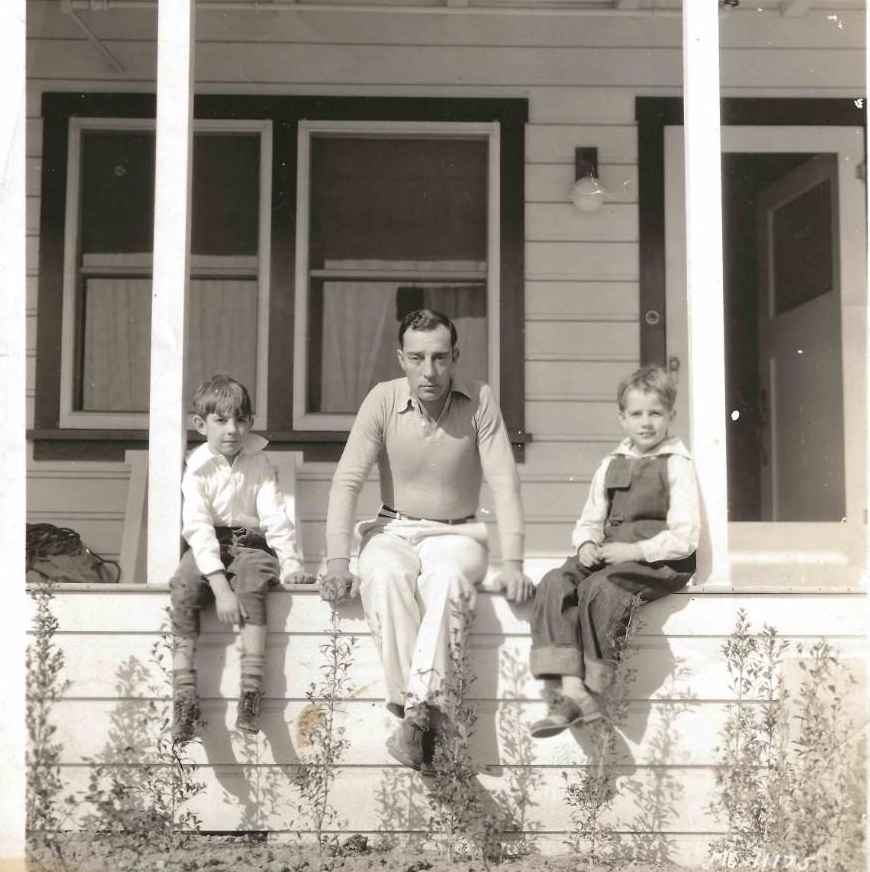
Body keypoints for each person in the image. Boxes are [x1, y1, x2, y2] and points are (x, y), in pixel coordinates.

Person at [319, 309, 534, 770]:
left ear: (455, 355)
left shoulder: (479, 400)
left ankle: (415, 719)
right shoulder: (381, 400)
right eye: (417, 358)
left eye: (439, 358)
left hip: (455, 532)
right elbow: (347, 481)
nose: (429, 371)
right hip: (392, 528)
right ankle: (421, 714)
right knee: (381, 572)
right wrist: (339, 560)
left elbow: (504, 484)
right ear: (401, 358)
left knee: (447, 578)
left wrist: (513, 561)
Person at [528, 366, 699, 737]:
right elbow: (590, 518)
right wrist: (587, 544)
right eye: (636, 414)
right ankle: (571, 687)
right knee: (555, 581)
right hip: (609, 553)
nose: (646, 423)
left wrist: (634, 550)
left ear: (670, 415)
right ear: (622, 418)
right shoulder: (611, 463)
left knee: (599, 589)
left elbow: (685, 536)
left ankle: (588, 688)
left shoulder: (677, 465)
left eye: (655, 413)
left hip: (658, 560)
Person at [170, 375, 313, 742]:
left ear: (250, 421)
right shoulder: (196, 469)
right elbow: (198, 529)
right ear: (201, 425)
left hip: (250, 544)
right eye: (221, 421)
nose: (232, 430)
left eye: (240, 420)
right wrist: (220, 588)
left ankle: (250, 692)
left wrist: (292, 563)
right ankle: (185, 699)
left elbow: (275, 517)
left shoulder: (258, 463)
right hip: (208, 545)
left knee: (254, 582)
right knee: (184, 585)